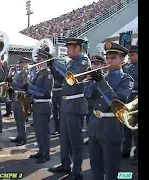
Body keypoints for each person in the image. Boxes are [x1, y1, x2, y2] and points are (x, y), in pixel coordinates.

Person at [85, 42, 133, 180]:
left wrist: (100, 81)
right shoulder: (102, 77)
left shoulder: (126, 79)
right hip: (95, 125)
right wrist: (90, 82)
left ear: (122, 59)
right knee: (95, 163)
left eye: (113, 57)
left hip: (111, 126)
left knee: (112, 166)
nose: (109, 61)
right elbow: (87, 97)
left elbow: (116, 102)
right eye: (107, 58)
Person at [48, 38, 89, 180]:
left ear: (77, 48)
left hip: (75, 104)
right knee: (64, 138)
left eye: (69, 48)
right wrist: (52, 67)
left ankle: (77, 171)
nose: (67, 51)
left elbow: (71, 77)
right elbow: (61, 78)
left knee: (75, 140)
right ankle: (65, 163)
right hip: (65, 104)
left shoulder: (83, 61)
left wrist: (55, 63)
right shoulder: (71, 61)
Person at [23, 49, 54, 164]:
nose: (38, 62)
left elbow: (45, 92)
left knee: (43, 131)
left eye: (40, 59)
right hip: (37, 105)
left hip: (44, 104)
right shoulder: (39, 73)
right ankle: (41, 151)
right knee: (37, 130)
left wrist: (30, 87)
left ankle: (46, 154)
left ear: (46, 60)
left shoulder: (49, 74)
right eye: (38, 60)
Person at [122, 45, 138, 165]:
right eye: (130, 55)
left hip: (136, 99)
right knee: (126, 126)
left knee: (136, 130)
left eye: (133, 55)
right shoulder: (129, 67)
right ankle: (126, 148)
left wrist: (131, 84)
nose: (130, 57)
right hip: (128, 99)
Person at [10, 57, 32, 146]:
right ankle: (20, 135)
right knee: (17, 118)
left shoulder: (27, 74)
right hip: (16, 97)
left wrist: (13, 82)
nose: (20, 65)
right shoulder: (19, 73)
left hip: (22, 98)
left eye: (22, 63)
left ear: (26, 64)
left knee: (21, 119)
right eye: (20, 63)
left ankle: (23, 138)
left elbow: (23, 86)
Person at [84, 55, 105, 145]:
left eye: (97, 64)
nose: (95, 66)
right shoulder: (90, 76)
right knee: (89, 118)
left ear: (102, 65)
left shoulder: (103, 77)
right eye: (93, 64)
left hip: (99, 102)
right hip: (90, 101)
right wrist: (88, 81)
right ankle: (90, 136)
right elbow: (87, 92)